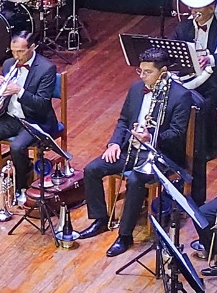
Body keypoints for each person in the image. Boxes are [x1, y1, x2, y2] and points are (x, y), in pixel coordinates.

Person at [76, 47, 194, 256]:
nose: (142, 76)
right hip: (130, 149)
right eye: (140, 71)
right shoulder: (136, 88)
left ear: (163, 71)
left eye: (148, 72)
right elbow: (123, 120)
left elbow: (177, 133)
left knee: (135, 181)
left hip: (160, 154)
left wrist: (150, 137)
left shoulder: (180, 95)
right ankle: (100, 219)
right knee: (92, 169)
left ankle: (125, 235)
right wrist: (113, 143)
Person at [0, 32, 61, 198]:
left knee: (17, 147)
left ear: (32, 48)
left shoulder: (46, 68)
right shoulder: (9, 63)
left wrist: (20, 91)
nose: (16, 56)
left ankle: (21, 186)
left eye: (20, 51)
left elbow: (42, 104)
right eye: (13, 51)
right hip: (11, 117)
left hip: (35, 120)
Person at [174, 2, 217, 205]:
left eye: (201, 7)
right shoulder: (185, 26)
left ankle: (206, 146)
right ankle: (181, 140)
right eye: (193, 7)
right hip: (191, 78)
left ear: (212, 7)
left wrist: (210, 59)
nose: (195, 12)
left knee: (206, 103)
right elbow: (173, 48)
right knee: (180, 98)